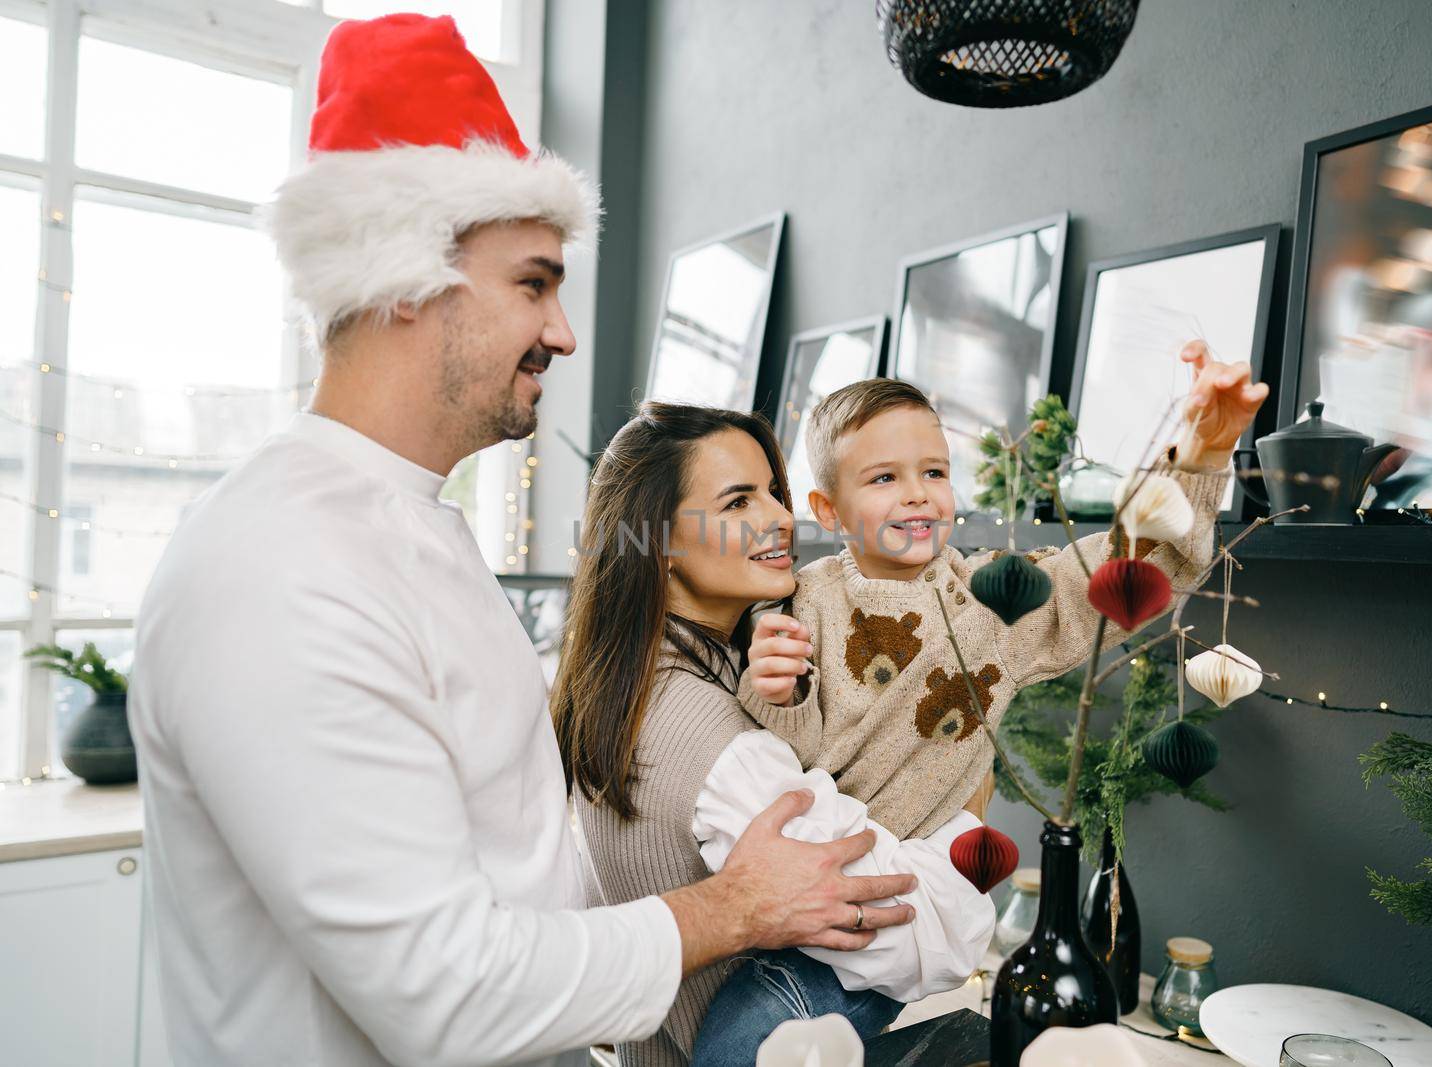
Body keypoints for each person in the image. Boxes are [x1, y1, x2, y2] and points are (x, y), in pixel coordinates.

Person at [128, 15, 916, 1067]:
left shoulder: (409, 528)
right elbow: (442, 993)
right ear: (406, 281)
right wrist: (732, 909)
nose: (563, 331)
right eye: (534, 283)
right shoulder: (277, 566)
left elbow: (519, 873)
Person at [556, 404, 995, 1067]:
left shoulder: (622, 683)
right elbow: (915, 936)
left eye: (773, 492)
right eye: (737, 501)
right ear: (661, 540)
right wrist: (969, 807)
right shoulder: (720, 742)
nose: (780, 518)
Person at [737, 346, 1267, 842]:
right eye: (883, 479)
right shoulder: (802, 602)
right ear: (828, 509)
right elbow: (775, 757)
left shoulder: (991, 601)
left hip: (916, 879)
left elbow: (1125, 565)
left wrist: (1202, 453)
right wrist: (778, 697)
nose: (918, 493)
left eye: (933, 472)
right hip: (807, 857)